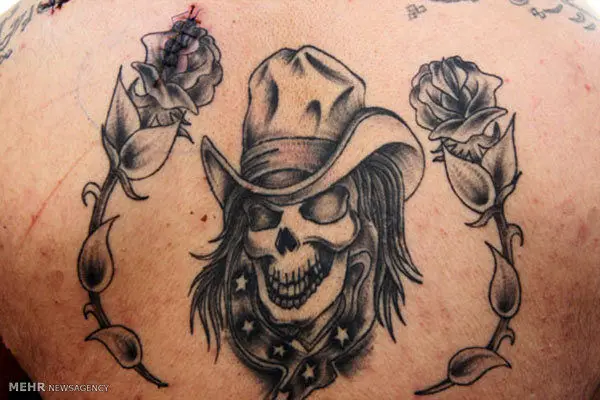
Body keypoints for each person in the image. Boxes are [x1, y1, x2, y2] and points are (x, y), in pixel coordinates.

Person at [1, 1, 599, 399]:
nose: (285, 240)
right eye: (263, 215)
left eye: (323, 206)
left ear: (369, 215)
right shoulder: (578, 63)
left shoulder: (22, 74)